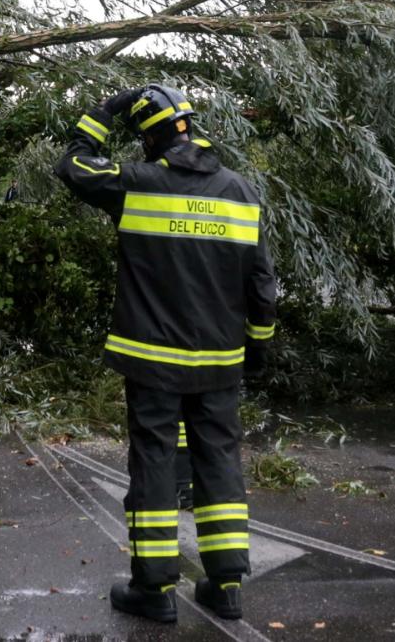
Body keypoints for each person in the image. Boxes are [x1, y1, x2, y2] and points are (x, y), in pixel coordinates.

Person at [55, 85, 278, 624]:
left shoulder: (137, 184)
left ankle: (153, 591)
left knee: (154, 462)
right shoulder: (240, 192)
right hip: (221, 360)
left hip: (151, 359)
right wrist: (259, 349)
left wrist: (103, 112)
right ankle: (226, 587)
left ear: (150, 136)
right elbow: (263, 284)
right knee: (219, 462)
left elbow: (74, 165)